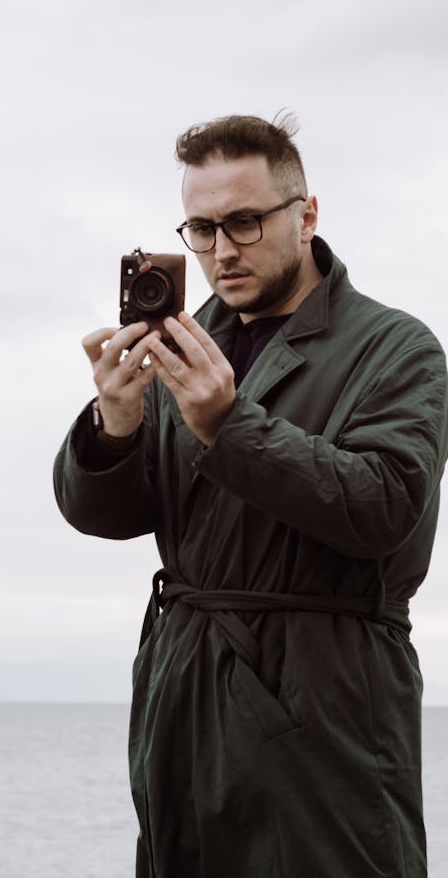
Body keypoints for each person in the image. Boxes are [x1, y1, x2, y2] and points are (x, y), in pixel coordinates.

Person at [53, 114, 447, 878]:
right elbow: (105, 514)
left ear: (306, 216)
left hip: (323, 698)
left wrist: (227, 424)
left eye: (243, 221)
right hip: (182, 693)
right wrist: (117, 424)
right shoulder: (184, 343)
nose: (221, 250)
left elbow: (384, 505)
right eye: (201, 228)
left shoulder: (398, 348)